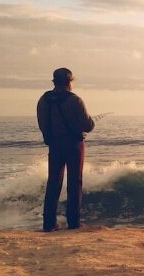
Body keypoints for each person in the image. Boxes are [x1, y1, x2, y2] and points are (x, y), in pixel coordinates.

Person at [37, 68, 95, 232]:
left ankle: (48, 223)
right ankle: (74, 222)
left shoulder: (43, 100)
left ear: (54, 82)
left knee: (53, 183)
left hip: (54, 145)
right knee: (74, 182)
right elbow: (88, 125)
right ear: (69, 82)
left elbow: (42, 124)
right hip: (74, 145)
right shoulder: (75, 100)